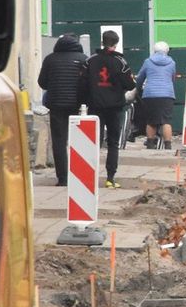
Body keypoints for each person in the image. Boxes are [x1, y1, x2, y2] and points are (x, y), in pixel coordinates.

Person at [82, 30, 136, 188]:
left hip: (95, 106)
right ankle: (110, 178)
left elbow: (82, 83)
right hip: (115, 107)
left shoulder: (91, 60)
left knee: (93, 142)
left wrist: (85, 100)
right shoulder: (120, 61)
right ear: (116, 43)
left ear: (102, 41)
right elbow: (130, 84)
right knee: (113, 143)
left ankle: (88, 177)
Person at [37, 33, 88, 186]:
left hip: (56, 105)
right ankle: (79, 175)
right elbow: (87, 82)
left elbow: (42, 82)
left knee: (59, 142)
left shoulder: (50, 59)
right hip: (78, 106)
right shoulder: (83, 59)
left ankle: (63, 178)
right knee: (79, 141)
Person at [135, 41, 177, 149]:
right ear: (167, 51)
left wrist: (137, 89)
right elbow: (172, 78)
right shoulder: (172, 63)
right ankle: (168, 145)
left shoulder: (148, 62)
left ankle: (150, 144)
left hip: (150, 94)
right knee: (166, 121)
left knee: (151, 121)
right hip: (167, 94)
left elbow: (140, 78)